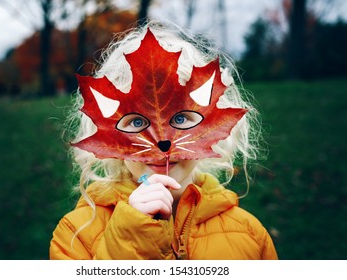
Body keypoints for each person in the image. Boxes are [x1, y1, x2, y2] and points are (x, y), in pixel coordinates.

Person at [49, 21, 278, 260]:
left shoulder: (250, 236)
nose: (162, 143)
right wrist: (131, 237)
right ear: (107, 133)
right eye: (136, 122)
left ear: (213, 123)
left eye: (181, 118)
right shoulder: (77, 235)